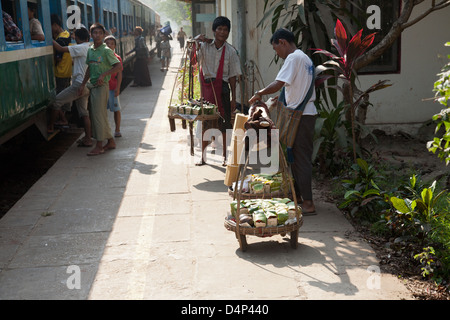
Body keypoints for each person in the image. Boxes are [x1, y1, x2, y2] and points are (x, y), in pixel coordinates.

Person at [248, 28, 317, 214]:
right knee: (295, 158)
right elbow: (295, 86)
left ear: (283, 42)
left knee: (300, 159)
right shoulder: (304, 58)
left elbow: (279, 83)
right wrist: (281, 98)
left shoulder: (293, 58)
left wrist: (259, 94)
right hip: (305, 114)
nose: (276, 52)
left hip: (302, 117)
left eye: (275, 48)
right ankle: (300, 197)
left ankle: (308, 204)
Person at [194, 16, 242, 166]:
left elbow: (233, 77)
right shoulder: (203, 46)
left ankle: (225, 157)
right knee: (206, 123)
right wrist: (196, 40)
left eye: (225, 29)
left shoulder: (231, 52)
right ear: (214, 31)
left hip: (223, 89)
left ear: (228, 32)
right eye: (219, 29)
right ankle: (202, 157)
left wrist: (234, 98)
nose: (222, 32)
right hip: (207, 89)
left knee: (224, 123)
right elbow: (193, 59)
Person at [78, 23, 121, 156]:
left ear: (103, 35)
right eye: (94, 33)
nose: (97, 35)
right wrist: (83, 83)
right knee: (99, 115)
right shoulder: (91, 50)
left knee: (97, 116)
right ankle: (111, 141)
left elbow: (118, 66)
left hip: (102, 87)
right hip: (93, 86)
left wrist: (104, 74)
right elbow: (89, 68)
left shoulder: (106, 50)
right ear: (90, 35)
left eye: (99, 33)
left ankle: (99, 145)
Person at [48, 27, 92, 147]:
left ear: (77, 38)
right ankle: (88, 139)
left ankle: (51, 126)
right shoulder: (88, 47)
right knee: (84, 113)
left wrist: (49, 37)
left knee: (56, 101)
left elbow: (60, 48)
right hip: (86, 85)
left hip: (79, 84)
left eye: (74, 37)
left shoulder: (80, 47)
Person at [51, 14, 72, 126]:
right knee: (64, 97)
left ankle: (63, 119)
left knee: (58, 99)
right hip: (67, 71)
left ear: (55, 25)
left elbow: (58, 58)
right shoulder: (67, 34)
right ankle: (63, 118)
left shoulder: (60, 39)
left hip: (60, 72)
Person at [104, 35, 123, 138]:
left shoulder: (117, 58)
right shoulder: (102, 58)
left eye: (112, 44)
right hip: (103, 87)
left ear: (115, 46)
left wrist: (118, 88)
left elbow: (119, 74)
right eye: (107, 44)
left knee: (116, 109)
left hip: (112, 87)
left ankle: (117, 129)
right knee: (102, 111)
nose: (109, 45)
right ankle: (106, 130)